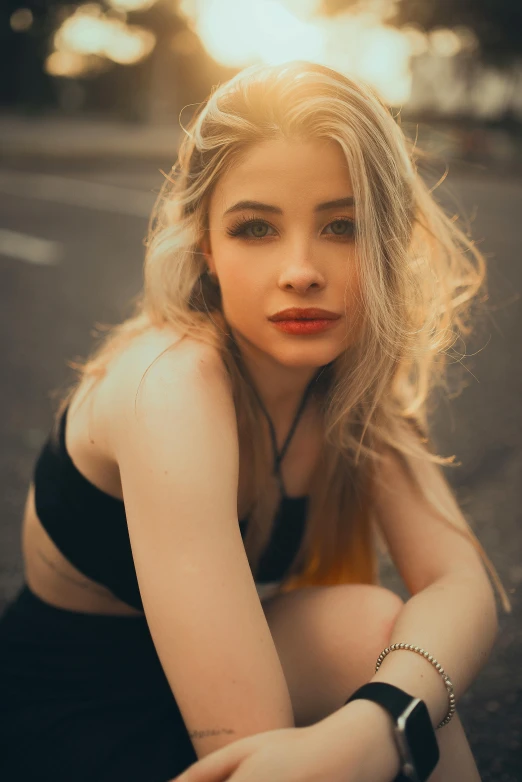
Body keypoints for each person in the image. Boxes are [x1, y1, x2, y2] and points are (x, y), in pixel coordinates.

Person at [0, 60, 511, 782]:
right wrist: (383, 737)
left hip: (230, 680)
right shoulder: (171, 385)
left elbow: (461, 585)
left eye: (342, 225)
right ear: (206, 246)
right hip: (74, 718)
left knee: (381, 634)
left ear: (388, 241)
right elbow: (258, 758)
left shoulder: (347, 388)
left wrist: (386, 717)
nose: (300, 269)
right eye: (256, 228)